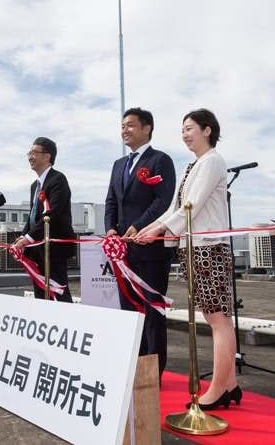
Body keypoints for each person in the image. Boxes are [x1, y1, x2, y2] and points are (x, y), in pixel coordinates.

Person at [136, 109, 240, 409]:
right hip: (194, 246)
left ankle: (219, 388)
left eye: (190, 128)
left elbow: (192, 205)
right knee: (214, 317)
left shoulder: (212, 161)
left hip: (209, 247)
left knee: (218, 320)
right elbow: (175, 207)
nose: (184, 134)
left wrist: (156, 230)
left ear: (208, 130)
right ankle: (230, 384)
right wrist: (150, 228)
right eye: (182, 129)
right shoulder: (193, 166)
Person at [104, 108, 176, 375]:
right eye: (122, 126)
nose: (125, 130)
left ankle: (154, 369)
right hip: (123, 249)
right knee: (128, 309)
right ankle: (133, 363)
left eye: (131, 125)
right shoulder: (118, 165)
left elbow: (163, 200)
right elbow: (111, 200)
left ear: (147, 128)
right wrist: (111, 229)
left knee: (152, 309)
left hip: (151, 248)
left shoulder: (160, 161)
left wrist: (139, 226)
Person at [14, 137, 76, 302]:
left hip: (53, 246)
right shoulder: (35, 185)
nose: (30, 157)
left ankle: (68, 324)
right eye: (29, 153)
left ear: (47, 156)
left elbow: (52, 214)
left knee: (58, 290)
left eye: (34, 153)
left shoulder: (58, 180)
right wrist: (23, 236)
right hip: (36, 248)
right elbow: (33, 215)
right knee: (40, 292)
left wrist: (28, 238)